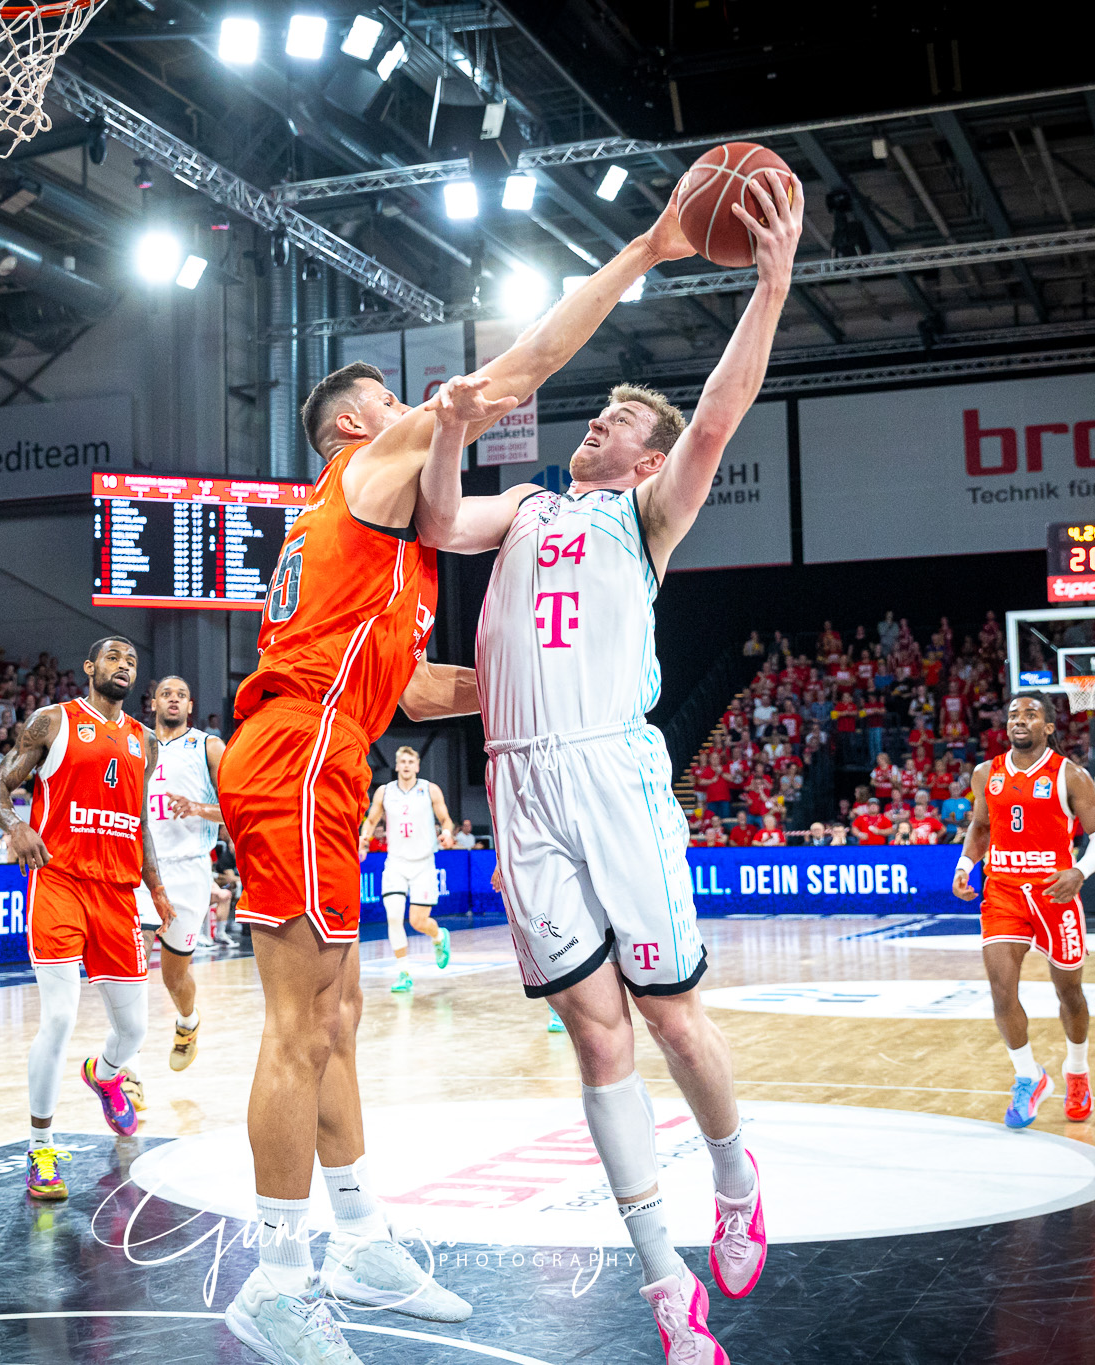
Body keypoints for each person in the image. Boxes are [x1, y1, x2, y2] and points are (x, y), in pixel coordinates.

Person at [213, 151, 695, 1365]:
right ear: (359, 426)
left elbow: (419, 689)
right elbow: (524, 367)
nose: (419, 415)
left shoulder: (375, 557)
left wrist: (552, 690)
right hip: (295, 759)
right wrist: (639, 255)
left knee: (338, 1014)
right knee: (291, 1025)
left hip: (325, 747)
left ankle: (360, 1234)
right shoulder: (368, 470)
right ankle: (274, 1281)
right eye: (395, 403)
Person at [411, 170, 801, 1363]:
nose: (595, 426)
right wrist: (446, 436)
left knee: (674, 1021)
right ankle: (661, 1287)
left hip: (610, 773)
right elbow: (434, 526)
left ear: (647, 460)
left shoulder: (648, 518)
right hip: (517, 781)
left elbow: (723, 411)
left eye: (616, 424)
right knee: (593, 1038)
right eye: (595, 418)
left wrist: (773, 277)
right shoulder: (524, 505)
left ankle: (735, 1181)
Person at [0, 637, 173, 1204]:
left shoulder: (145, 741)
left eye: (132, 661)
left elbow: (138, 821)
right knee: (60, 1019)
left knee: (134, 1031)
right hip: (60, 881)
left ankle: (105, 1072)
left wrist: (157, 888)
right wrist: (15, 825)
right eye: (113, 658)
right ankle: (41, 1149)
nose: (124, 667)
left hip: (118, 892)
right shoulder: (53, 721)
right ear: (90, 668)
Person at [953, 693, 1095, 1130]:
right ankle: (1029, 1076)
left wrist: (1079, 871)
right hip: (1002, 892)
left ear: (1047, 728)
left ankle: (1077, 1071)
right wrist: (966, 865)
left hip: (1053, 894)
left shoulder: (1071, 775)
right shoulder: (987, 772)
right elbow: (981, 826)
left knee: (1069, 993)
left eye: (1031, 714)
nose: (1020, 720)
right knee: (1001, 990)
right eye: (1013, 715)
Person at [136, 674, 225, 1070]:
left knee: (174, 978)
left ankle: (187, 1022)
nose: (173, 700)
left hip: (189, 871)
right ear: (152, 704)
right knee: (133, 968)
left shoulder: (209, 746)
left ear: (190, 707)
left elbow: (236, 809)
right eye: (165, 694)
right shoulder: (135, 743)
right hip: (143, 867)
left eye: (181, 695)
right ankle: (127, 1068)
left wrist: (198, 808)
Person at [358, 745, 454, 994]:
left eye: (411, 761)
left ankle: (438, 937)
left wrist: (445, 833)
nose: (407, 765)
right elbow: (371, 820)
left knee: (418, 921)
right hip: (396, 863)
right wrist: (364, 838)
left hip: (423, 863)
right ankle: (404, 972)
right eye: (403, 761)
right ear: (397, 766)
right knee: (393, 917)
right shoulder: (385, 791)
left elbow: (445, 819)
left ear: (417, 766)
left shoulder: (429, 789)